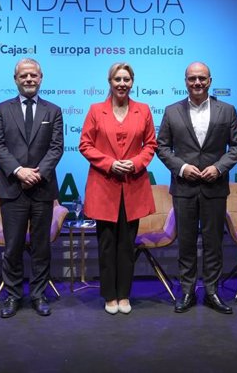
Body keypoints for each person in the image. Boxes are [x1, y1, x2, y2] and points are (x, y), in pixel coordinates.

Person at [157, 61, 237, 314]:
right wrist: (182, 168)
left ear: (210, 80)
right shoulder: (171, 111)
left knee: (213, 242)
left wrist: (219, 167)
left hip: (214, 186)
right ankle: (186, 291)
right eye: (192, 78)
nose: (197, 83)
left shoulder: (226, 110)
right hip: (184, 187)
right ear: (185, 81)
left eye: (202, 78)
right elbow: (162, 147)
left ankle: (212, 292)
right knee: (185, 242)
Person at [79, 62, 157, 315]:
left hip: (133, 187)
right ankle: (109, 295)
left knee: (126, 244)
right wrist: (110, 164)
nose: (122, 83)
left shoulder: (143, 110)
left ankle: (124, 294)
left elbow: (151, 145)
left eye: (126, 79)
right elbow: (85, 145)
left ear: (132, 82)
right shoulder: (95, 110)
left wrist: (134, 163)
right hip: (104, 186)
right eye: (117, 79)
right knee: (106, 244)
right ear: (109, 82)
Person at [0, 58, 64, 318]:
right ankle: (12, 296)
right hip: (12, 187)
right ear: (15, 79)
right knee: (12, 247)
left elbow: (56, 148)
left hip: (42, 189)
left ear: (41, 77)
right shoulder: (1, 109)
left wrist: (38, 173)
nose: (29, 79)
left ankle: (39, 295)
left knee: (41, 247)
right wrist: (19, 171)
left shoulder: (53, 111)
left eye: (33, 75)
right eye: (24, 76)